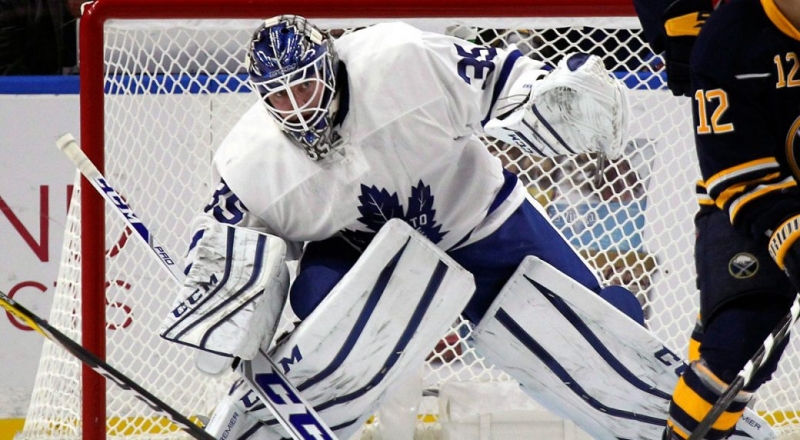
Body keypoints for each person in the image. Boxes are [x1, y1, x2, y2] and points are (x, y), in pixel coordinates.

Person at [168, 15, 644, 439]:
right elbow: (225, 244)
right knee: (322, 309)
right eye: (280, 96)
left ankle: (668, 417)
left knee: (592, 337)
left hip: (479, 218)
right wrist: (224, 305)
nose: (297, 108)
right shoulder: (253, 162)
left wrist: (553, 93)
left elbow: (501, 79)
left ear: (328, 67)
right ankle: (273, 422)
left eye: (304, 87)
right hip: (366, 254)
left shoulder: (401, 60)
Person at [633, 0, 800, 438]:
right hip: (749, 201)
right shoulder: (728, 43)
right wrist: (794, 241)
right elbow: (738, 175)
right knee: (741, 336)